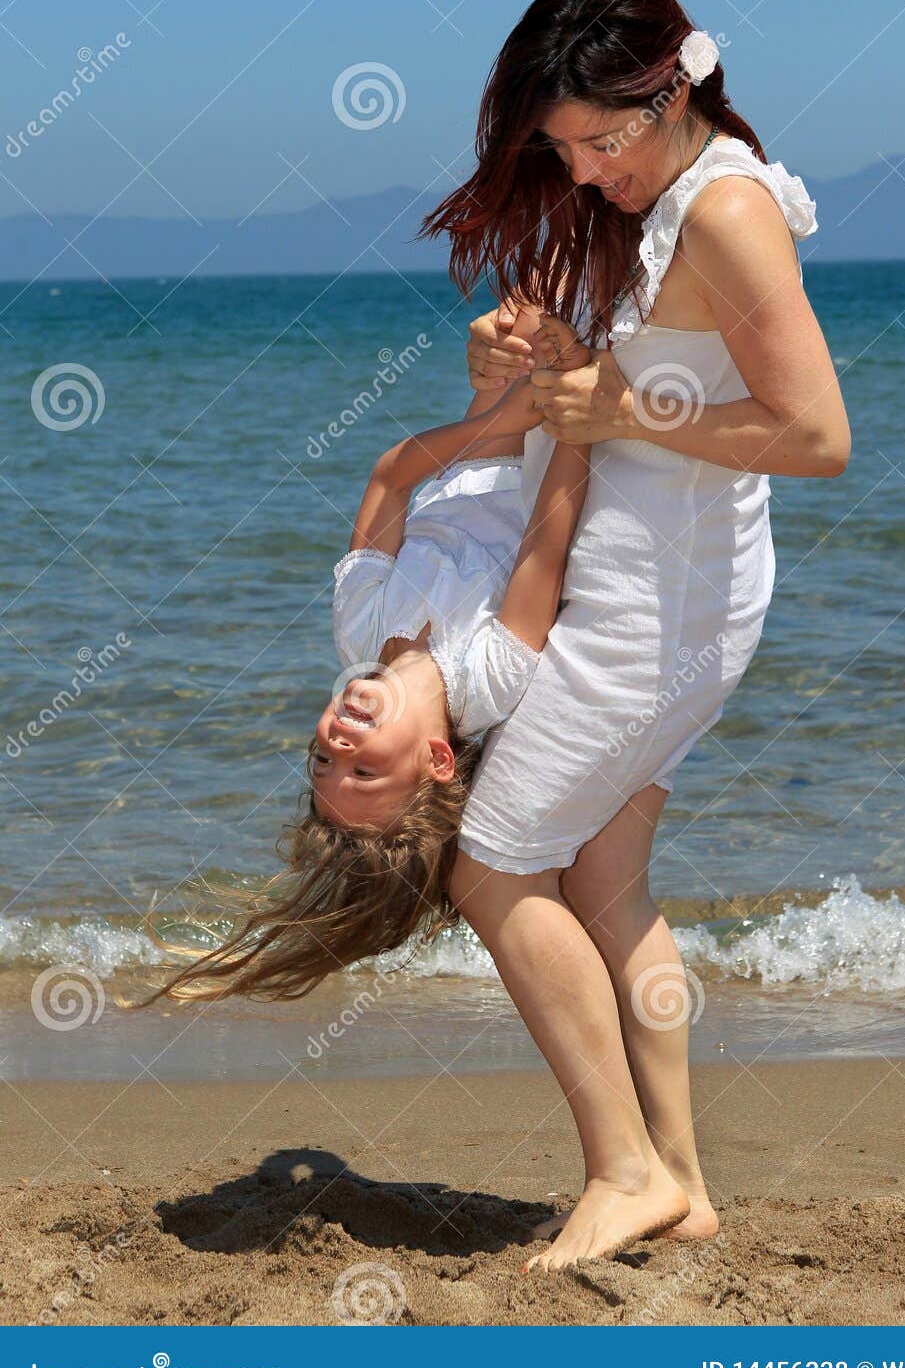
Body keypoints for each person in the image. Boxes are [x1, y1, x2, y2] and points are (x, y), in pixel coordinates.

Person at [418, 0, 851, 1269]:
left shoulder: (726, 212)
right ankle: (683, 1183)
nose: (584, 171)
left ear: (672, 93)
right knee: (602, 879)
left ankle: (622, 1169)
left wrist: (622, 408)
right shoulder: (642, 201)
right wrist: (519, 369)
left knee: (491, 862)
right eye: (561, 150)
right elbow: (610, 389)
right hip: (627, 583)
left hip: (664, 606)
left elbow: (817, 436)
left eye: (600, 143)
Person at [140, 362, 589, 1005]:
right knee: (556, 340)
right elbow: (547, 543)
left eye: (323, 761)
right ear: (438, 760)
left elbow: (389, 478)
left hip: (475, 449)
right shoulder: (491, 680)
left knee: (506, 333)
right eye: (365, 772)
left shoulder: (357, 632)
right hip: (542, 467)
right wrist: (572, 420)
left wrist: (496, 419)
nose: (338, 746)